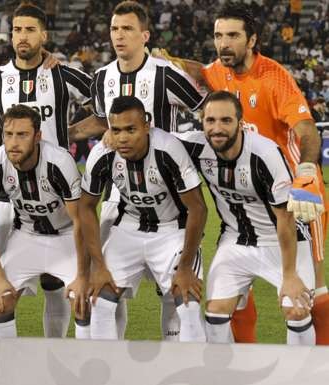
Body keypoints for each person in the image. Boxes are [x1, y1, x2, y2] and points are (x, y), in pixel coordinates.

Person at [161, 1, 328, 344]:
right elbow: (200, 71)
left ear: (252, 40)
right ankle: (241, 364)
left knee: (313, 291)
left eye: (233, 36)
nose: (224, 43)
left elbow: (307, 129)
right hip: (245, 192)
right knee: (233, 292)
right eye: (219, 35)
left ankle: (319, 365)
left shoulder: (273, 77)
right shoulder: (219, 71)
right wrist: (169, 62)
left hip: (294, 191)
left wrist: (308, 171)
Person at [0, 3, 93, 338]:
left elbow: (104, 109)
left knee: (57, 284)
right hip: (7, 199)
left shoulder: (63, 74)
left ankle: (53, 354)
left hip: (58, 195)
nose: (22, 36)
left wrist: (75, 131)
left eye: (29, 29)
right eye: (16, 30)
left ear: (44, 35)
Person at [70, 0, 206, 341]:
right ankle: (105, 360)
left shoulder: (166, 74)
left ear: (144, 35)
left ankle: (179, 357)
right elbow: (103, 120)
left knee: (172, 294)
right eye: (115, 28)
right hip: (119, 195)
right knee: (105, 283)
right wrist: (67, 133)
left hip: (168, 192)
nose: (119, 35)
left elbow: (203, 108)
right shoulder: (101, 77)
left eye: (127, 29)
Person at [177, 91, 316, 345]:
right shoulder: (196, 146)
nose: (217, 129)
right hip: (236, 239)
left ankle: (300, 376)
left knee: (296, 310)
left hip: (284, 240)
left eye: (226, 121)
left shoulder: (265, 154)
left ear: (240, 123)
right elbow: (153, 138)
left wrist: (290, 275)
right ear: (202, 122)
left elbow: (285, 217)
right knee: (215, 312)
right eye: (210, 121)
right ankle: (226, 375)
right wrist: (109, 133)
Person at [79, 96, 207, 342]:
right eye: (116, 130)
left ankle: (192, 373)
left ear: (146, 126)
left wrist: (186, 268)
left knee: (187, 303)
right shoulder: (103, 154)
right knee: (100, 302)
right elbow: (86, 207)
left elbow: (198, 209)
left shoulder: (168, 149)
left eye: (131, 129)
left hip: (173, 229)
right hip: (128, 227)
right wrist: (99, 266)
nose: (123, 138)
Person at [0, 105, 88, 339]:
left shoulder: (59, 162)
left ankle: (80, 366)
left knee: (84, 302)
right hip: (26, 235)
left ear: (37, 136)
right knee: (0, 301)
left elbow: (81, 221)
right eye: (8, 134)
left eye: (22, 135)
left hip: (66, 236)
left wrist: (83, 276)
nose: (13, 142)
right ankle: (5, 367)